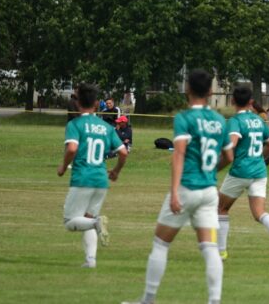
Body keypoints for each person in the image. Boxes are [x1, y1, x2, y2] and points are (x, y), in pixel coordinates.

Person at [123, 69, 233, 304]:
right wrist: (210, 172)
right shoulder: (219, 120)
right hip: (209, 191)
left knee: (161, 243)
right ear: (210, 91)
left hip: (187, 188)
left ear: (188, 88)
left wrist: (174, 192)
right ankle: (214, 300)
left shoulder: (184, 118)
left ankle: (148, 299)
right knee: (209, 247)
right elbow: (229, 157)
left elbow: (179, 154)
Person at [57, 83, 127, 268]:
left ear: (78, 102)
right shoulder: (106, 127)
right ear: (96, 104)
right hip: (101, 180)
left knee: (70, 221)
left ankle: (96, 223)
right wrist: (116, 171)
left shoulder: (75, 124)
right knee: (87, 218)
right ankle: (90, 261)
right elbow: (123, 152)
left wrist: (63, 166)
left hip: (83, 178)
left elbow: (72, 148)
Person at [218, 85, 269, 261]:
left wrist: (215, 165)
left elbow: (232, 144)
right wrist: (258, 159)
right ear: (251, 102)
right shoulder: (259, 121)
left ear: (232, 101)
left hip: (240, 171)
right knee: (259, 213)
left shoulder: (235, 121)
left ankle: (221, 251)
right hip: (259, 172)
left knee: (221, 208)